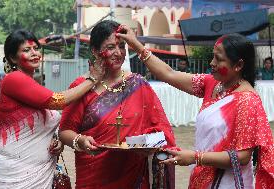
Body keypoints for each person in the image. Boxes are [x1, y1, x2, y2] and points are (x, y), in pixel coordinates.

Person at [117, 27, 274, 188]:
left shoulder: (247, 101)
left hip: (227, 183)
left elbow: (242, 157)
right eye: (213, 57)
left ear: (238, 65)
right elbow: (169, 74)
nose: (212, 63)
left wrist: (195, 158)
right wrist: (136, 45)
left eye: (218, 59)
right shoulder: (213, 84)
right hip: (201, 177)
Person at [59, 20, 176, 189]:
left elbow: (162, 131)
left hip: (133, 176)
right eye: (110, 47)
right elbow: (65, 131)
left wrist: (149, 145)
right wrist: (81, 140)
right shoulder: (81, 87)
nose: (118, 53)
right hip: (94, 177)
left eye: (122, 46)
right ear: (95, 50)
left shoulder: (138, 84)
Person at [0, 29, 104, 188]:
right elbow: (58, 101)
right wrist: (93, 79)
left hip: (41, 173)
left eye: (35, 48)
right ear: (12, 57)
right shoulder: (13, 80)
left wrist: (56, 141)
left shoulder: (33, 85)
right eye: (26, 50)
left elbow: (42, 126)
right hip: (15, 173)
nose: (34, 53)